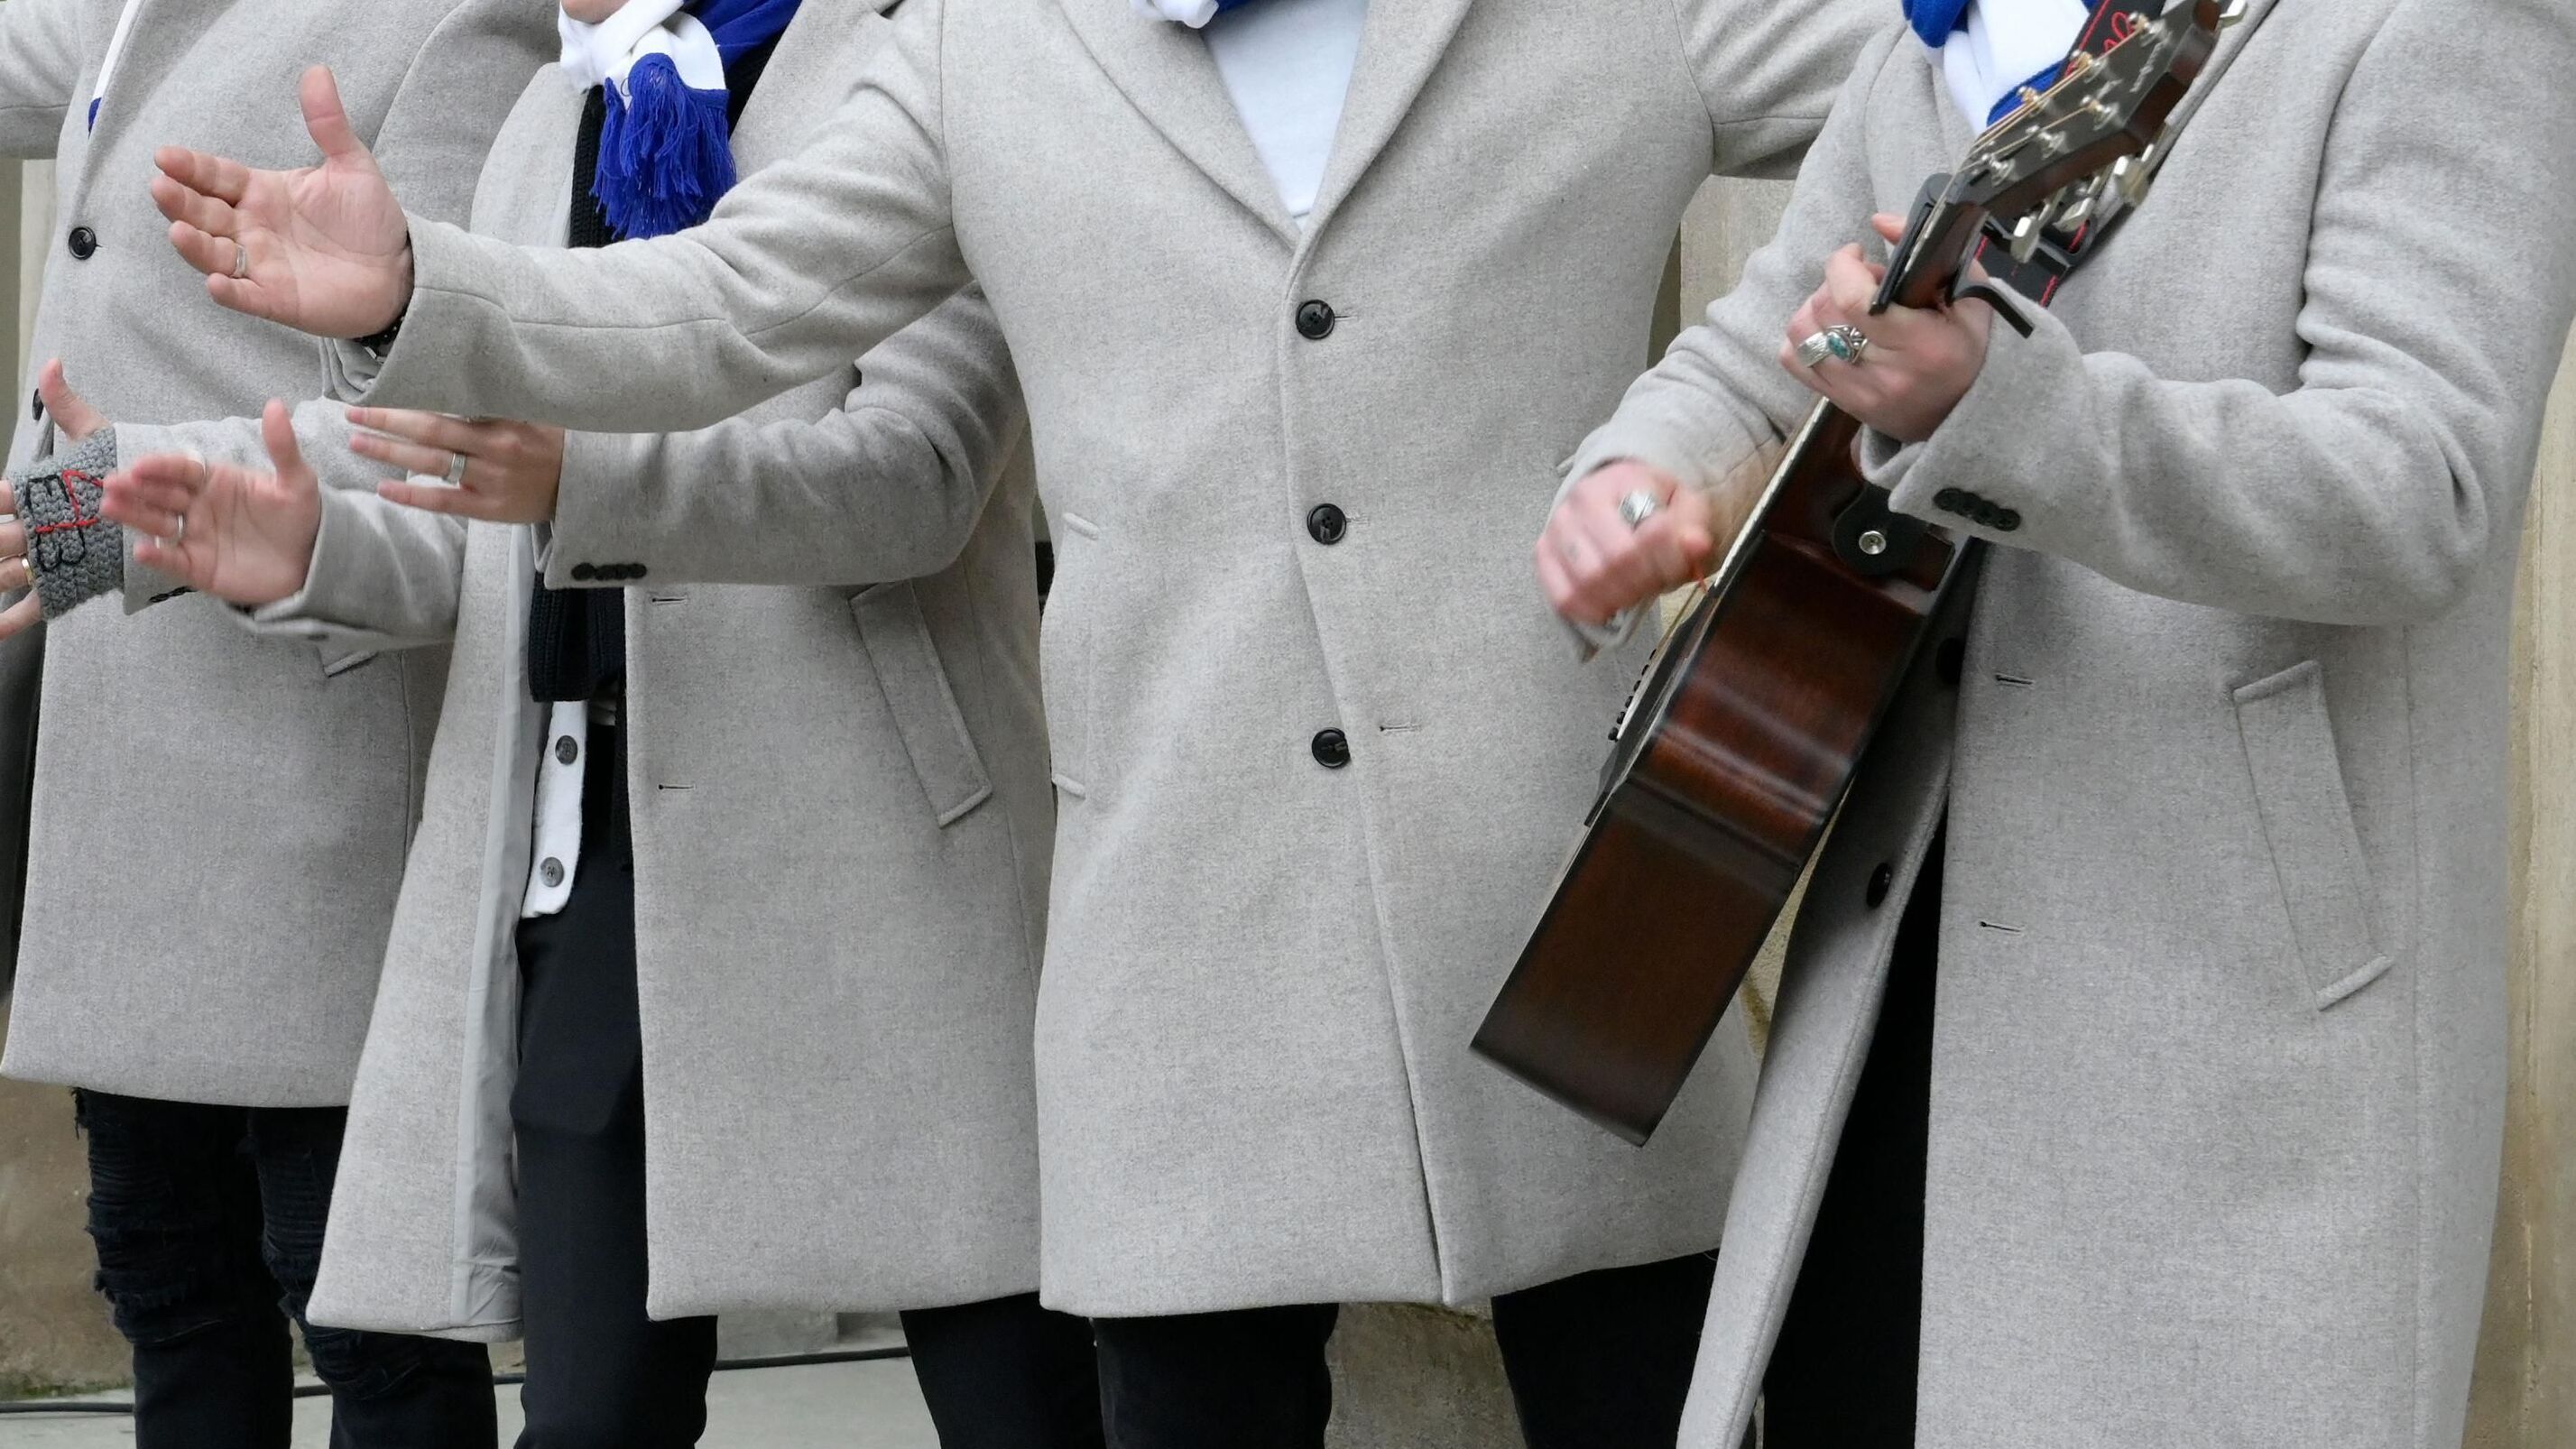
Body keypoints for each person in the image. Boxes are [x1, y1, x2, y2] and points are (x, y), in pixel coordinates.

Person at [132, 0, 1888, 1441]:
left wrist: (1721, 408)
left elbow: (1938, 107)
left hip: (1580, 889)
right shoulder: (990, 47)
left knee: (1651, 1392)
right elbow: (724, 301)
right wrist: (417, 288)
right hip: (1179, 925)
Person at [32, 1, 1102, 1445]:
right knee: (586, 1419)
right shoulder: (552, 114)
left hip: (885, 869)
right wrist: (281, 546)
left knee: (1025, 1407)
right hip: (591, 871)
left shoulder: (902, 64)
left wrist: (583, 481)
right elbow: (457, 504)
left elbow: (916, 476)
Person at [1529, 0, 2576, 1444]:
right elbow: (1776, 339)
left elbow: (2422, 487)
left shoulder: (2446, 26)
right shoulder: (1942, 42)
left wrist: (2006, 408)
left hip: (2223, 1002)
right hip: (1894, 966)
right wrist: (1640, 476)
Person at [0, 1, 551, 1444]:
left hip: (316, 769)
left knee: (367, 1318)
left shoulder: (460, 22)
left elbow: (429, 414)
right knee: (164, 1277)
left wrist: (102, 505)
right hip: (125, 773)